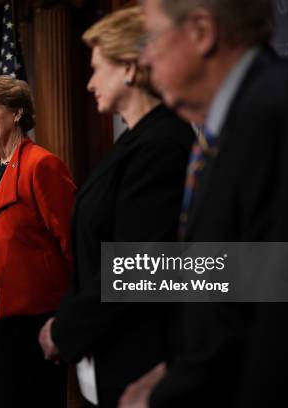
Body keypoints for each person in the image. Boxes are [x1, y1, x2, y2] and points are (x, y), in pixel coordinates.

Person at [119, 0, 288, 407]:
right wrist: (177, 366)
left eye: (149, 38)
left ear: (201, 31)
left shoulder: (277, 111)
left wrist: (172, 391)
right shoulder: (232, 122)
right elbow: (237, 275)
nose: (144, 57)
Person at [37, 6, 194, 408]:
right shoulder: (132, 143)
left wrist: (64, 329)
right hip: (115, 355)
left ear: (128, 68)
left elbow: (141, 266)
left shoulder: (161, 144)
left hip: (141, 362)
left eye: (96, 68)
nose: (89, 83)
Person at [0, 75, 76, 408]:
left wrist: (73, 312)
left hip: (33, 318)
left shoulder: (41, 164)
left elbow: (73, 243)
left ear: (16, 113)